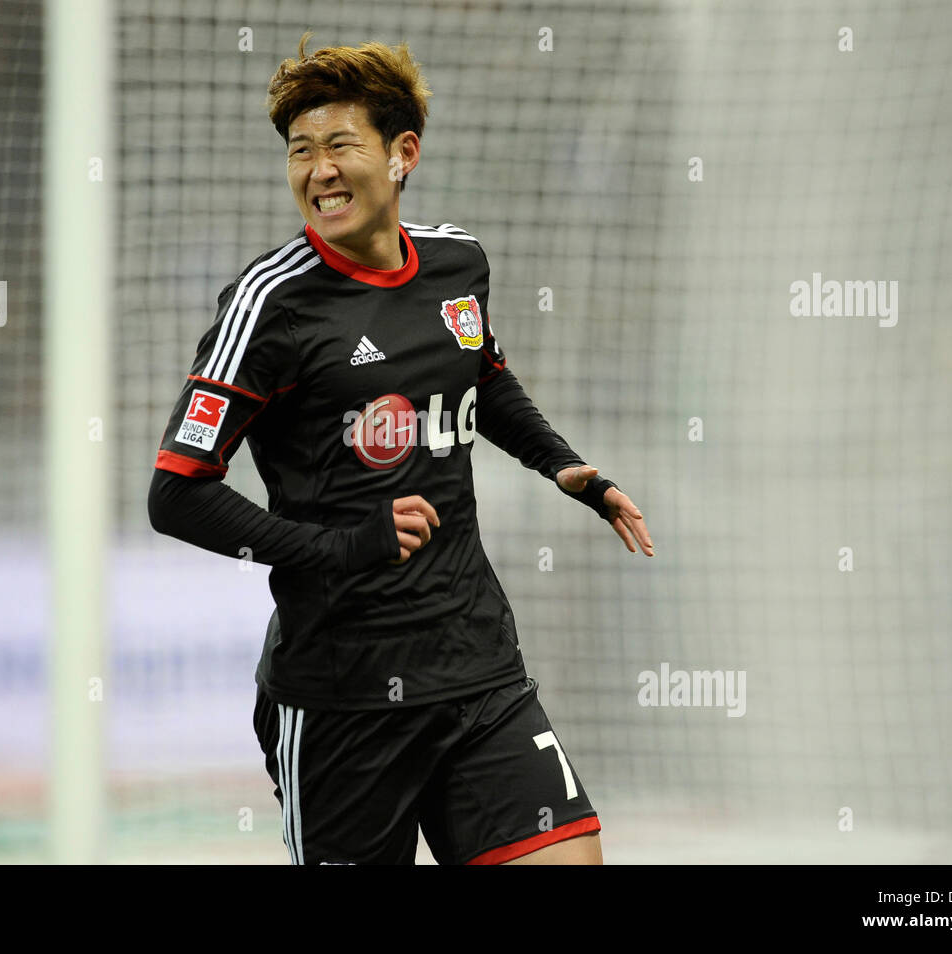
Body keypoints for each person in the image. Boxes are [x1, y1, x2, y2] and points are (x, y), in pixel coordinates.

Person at [148, 33, 653, 865]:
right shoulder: (270, 305)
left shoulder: (458, 264)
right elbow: (177, 491)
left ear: (402, 152)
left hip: (478, 669)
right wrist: (345, 547)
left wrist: (563, 465)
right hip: (343, 698)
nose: (318, 171)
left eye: (340, 145)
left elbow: (483, 377)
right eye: (300, 152)